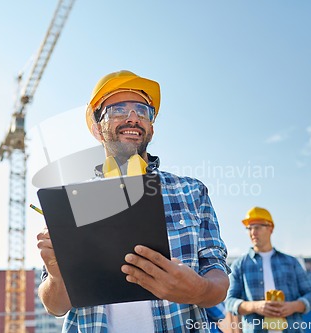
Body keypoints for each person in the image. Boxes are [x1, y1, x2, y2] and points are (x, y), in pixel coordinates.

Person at [36, 70, 230, 332]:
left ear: (151, 127)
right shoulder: (72, 202)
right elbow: (55, 306)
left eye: (142, 111)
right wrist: (58, 275)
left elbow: (217, 278)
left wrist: (200, 290)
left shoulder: (191, 192)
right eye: (118, 110)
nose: (133, 118)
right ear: (97, 129)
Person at [226, 207, 311, 333]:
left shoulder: (291, 262)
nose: (253, 232)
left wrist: (293, 306)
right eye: (249, 228)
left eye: (257, 227)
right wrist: (255, 306)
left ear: (270, 228)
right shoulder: (239, 265)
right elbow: (230, 302)